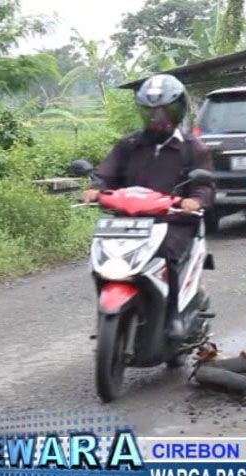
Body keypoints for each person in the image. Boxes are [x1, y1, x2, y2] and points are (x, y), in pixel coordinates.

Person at [81, 73, 214, 337]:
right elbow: (107, 174)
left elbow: (205, 185)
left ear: (178, 110)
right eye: (151, 112)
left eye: (165, 111)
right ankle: (105, 314)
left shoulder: (192, 148)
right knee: (102, 257)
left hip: (173, 221)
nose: (158, 118)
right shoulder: (128, 145)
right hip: (128, 223)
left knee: (168, 254)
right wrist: (95, 189)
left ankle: (173, 315)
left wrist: (195, 200)